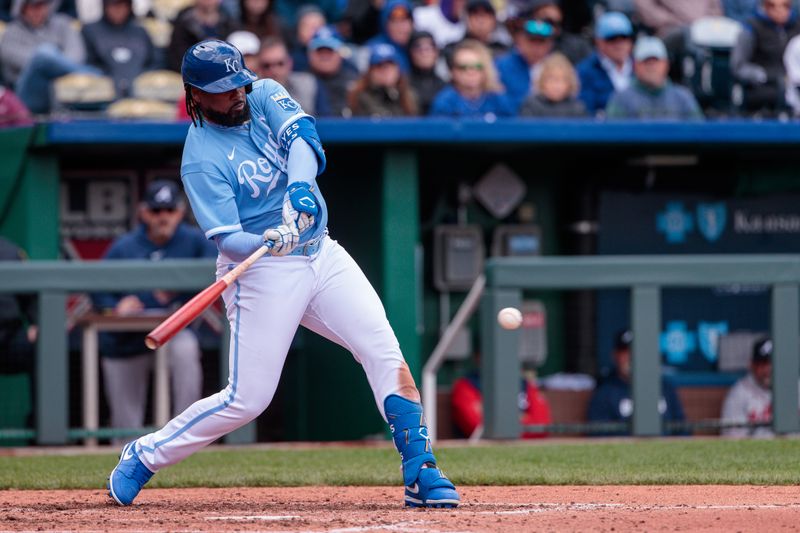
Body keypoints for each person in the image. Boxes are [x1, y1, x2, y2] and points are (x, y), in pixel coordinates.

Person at [106, 39, 460, 509]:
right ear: (194, 93)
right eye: (222, 89)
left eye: (238, 83)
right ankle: (145, 454)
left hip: (322, 253)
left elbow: (304, 142)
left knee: (383, 351)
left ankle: (421, 469)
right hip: (261, 273)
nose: (235, 94)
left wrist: (298, 188)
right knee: (247, 400)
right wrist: (265, 241)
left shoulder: (263, 92)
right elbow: (228, 238)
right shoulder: (201, 156)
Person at [93, 180, 217, 444]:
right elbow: (95, 287)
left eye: (169, 210)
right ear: (143, 212)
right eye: (156, 211)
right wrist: (115, 306)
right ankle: (126, 453)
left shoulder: (195, 241)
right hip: (127, 338)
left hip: (173, 331)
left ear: (180, 212)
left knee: (186, 349)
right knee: (125, 421)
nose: (163, 217)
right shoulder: (124, 246)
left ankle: (185, 437)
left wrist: (180, 288)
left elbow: (218, 272)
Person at [586, 329, 687, 436]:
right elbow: (598, 436)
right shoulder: (605, 393)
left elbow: (683, 429)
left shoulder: (665, 387)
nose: (631, 357)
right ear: (615, 355)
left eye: (638, 351)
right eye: (625, 352)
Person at [0, 0, 90, 114]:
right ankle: (90, 72)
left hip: (67, 91)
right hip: (27, 98)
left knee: (47, 55)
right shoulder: (10, 33)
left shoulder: (63, 24)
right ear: (22, 8)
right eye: (32, 6)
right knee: (43, 54)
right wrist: (51, 57)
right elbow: (34, 63)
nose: (38, 11)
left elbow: (77, 56)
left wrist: (56, 63)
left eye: (41, 5)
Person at [605, 36, 704, 119]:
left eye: (655, 61)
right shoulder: (621, 99)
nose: (651, 67)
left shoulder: (683, 99)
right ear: (635, 66)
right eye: (646, 62)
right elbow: (610, 136)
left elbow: (699, 135)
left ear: (666, 64)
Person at [731, 0, 800, 114]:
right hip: (763, 85)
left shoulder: (797, 26)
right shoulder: (751, 28)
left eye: (785, 6)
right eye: (773, 6)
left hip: (795, 82)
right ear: (765, 6)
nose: (779, 10)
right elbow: (738, 66)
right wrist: (764, 75)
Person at [82, 0, 158, 98]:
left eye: (122, 6)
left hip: (141, 90)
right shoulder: (90, 30)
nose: (118, 11)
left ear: (129, 7)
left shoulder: (140, 31)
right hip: (101, 93)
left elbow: (155, 61)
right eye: (113, 6)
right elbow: (86, 63)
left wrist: (139, 78)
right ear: (105, 7)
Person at [429, 38, 515, 117]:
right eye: (463, 67)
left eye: (477, 66)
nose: (471, 72)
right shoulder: (444, 102)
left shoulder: (498, 100)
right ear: (453, 71)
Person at [720, 337, 786, 437]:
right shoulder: (739, 393)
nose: (768, 369)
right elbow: (732, 438)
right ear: (751, 365)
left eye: (772, 363)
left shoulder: (795, 388)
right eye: (763, 364)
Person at [576, 11, 634, 116]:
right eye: (612, 39)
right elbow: (586, 109)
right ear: (599, 42)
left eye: (624, 38)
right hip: (603, 130)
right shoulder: (585, 71)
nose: (619, 44)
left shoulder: (641, 66)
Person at [495, 19, 555, 111]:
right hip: (512, 121)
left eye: (541, 42)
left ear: (549, 44)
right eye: (532, 41)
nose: (536, 47)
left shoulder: (557, 68)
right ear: (520, 41)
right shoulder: (502, 66)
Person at [166, 0, 239, 71]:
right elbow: (177, 56)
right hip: (192, 73)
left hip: (225, 70)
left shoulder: (228, 22)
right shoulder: (183, 22)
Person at [348, 43, 418, 117]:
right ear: (370, 71)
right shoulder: (359, 95)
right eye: (379, 66)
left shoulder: (408, 95)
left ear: (398, 70)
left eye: (390, 65)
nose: (386, 71)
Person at [258, 36, 320, 114]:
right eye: (267, 65)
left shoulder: (307, 84)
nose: (274, 70)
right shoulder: (251, 94)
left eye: (280, 64)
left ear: (289, 63)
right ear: (259, 68)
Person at [307, 26, 359, 117]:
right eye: (320, 51)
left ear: (340, 53)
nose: (324, 56)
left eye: (329, 51)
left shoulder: (354, 82)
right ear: (310, 54)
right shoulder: (300, 81)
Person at [520, 52, 586, 117]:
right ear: (542, 81)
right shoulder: (531, 106)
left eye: (561, 80)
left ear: (569, 83)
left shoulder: (577, 108)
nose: (556, 86)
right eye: (551, 79)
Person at [528, 0, 591, 65]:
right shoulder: (523, 41)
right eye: (547, 21)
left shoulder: (577, 47)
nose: (550, 27)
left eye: (555, 23)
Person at [365, 0, 414, 72]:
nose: (401, 27)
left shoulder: (417, 47)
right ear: (385, 24)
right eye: (394, 21)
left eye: (405, 20)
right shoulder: (373, 49)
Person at [408, 30, 447, 114]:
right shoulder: (403, 85)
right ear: (411, 52)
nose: (424, 53)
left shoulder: (445, 86)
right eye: (418, 48)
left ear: (436, 52)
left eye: (430, 47)